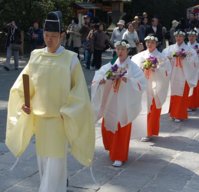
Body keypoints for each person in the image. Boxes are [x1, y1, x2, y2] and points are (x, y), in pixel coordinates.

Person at [5, 11, 95, 192]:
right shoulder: (36, 56)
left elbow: (80, 93)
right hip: (40, 119)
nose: (49, 40)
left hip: (58, 119)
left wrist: (69, 111)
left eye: (54, 36)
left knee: (55, 162)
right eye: (46, 35)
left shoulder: (70, 59)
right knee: (44, 162)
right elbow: (24, 83)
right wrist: (24, 101)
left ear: (61, 36)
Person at [91, 40, 146, 167]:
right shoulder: (111, 66)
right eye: (118, 49)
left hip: (124, 102)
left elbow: (141, 83)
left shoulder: (133, 67)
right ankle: (112, 148)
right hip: (111, 100)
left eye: (123, 49)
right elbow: (98, 77)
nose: (120, 52)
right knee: (108, 125)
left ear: (127, 51)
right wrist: (103, 80)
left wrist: (127, 80)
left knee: (122, 126)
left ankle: (119, 155)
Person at [131, 34, 171, 141]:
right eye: (148, 42)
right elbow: (133, 70)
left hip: (155, 86)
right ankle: (143, 130)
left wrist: (156, 69)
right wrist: (142, 67)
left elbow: (167, 71)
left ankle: (149, 131)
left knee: (152, 108)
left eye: (152, 42)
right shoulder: (139, 56)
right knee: (143, 108)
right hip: (143, 86)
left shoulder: (161, 57)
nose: (149, 44)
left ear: (156, 44)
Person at [163, 29, 198, 122]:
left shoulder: (189, 50)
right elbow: (164, 60)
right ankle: (173, 113)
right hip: (173, 74)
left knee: (182, 95)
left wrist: (185, 59)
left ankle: (179, 114)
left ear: (183, 38)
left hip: (184, 75)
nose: (178, 38)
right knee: (173, 94)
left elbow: (194, 62)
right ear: (174, 37)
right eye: (177, 36)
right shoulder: (169, 48)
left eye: (181, 36)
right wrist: (170, 58)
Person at [187, 29, 199, 110]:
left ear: (196, 37)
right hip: (186, 68)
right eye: (190, 36)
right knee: (187, 86)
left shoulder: (198, 46)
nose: (191, 38)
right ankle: (188, 104)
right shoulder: (185, 46)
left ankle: (194, 104)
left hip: (196, 68)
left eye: (193, 36)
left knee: (195, 86)